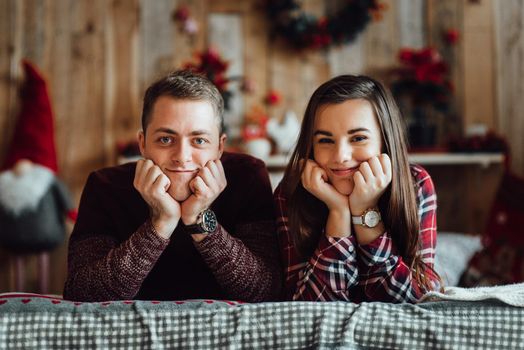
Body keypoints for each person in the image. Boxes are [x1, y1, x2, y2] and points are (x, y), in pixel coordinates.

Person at [64, 70, 281, 302]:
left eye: (199, 141)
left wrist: (200, 220)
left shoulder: (247, 177)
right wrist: (160, 224)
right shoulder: (104, 186)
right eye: (166, 139)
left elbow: (265, 291)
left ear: (219, 146)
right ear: (143, 144)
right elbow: (81, 293)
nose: (182, 156)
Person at [274, 75, 441, 303]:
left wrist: (365, 210)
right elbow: (304, 305)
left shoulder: (415, 184)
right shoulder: (292, 191)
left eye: (358, 138)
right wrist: (339, 213)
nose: (341, 156)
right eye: (325, 140)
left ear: (384, 140)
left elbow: (416, 299)